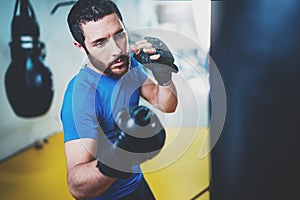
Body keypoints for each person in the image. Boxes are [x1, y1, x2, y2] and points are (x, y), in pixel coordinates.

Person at [60, 0, 178, 199]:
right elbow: (77, 187)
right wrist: (121, 155)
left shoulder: (127, 66)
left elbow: (165, 104)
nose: (116, 51)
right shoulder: (81, 97)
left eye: (119, 34)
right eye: (100, 42)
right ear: (80, 47)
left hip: (137, 185)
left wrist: (163, 73)